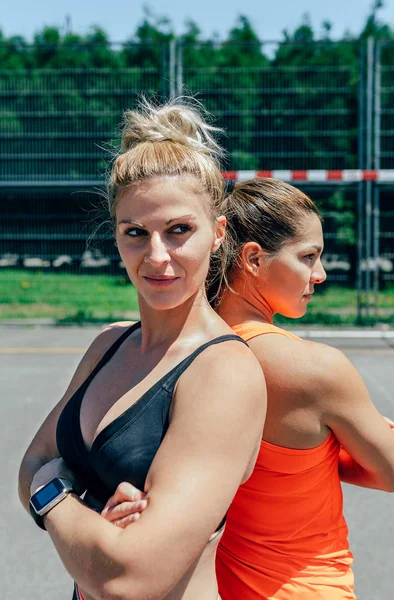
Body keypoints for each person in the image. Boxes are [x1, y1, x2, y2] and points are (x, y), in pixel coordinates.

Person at [17, 100, 267, 600]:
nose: (157, 256)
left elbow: (130, 578)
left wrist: (56, 495)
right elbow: (31, 462)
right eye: (135, 233)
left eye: (179, 230)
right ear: (116, 235)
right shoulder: (109, 344)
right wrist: (93, 523)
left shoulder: (223, 372)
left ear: (218, 233)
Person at [104, 177, 394, 599]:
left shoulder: (185, 353)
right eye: (308, 256)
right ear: (254, 259)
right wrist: (346, 440)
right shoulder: (312, 369)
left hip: (209, 587)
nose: (320, 274)